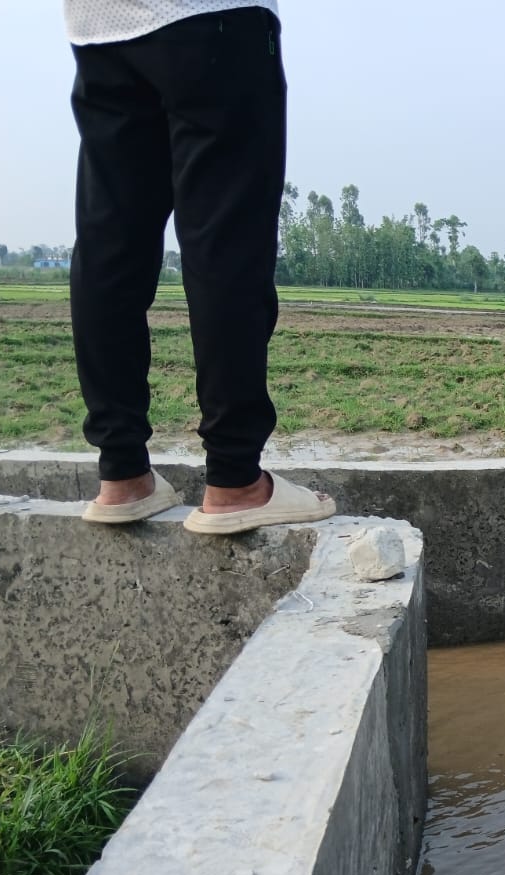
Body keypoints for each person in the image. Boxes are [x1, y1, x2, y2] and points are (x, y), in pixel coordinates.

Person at [65, 0, 334, 532]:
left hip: (98, 26)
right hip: (212, 16)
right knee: (226, 241)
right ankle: (235, 481)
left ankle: (123, 475)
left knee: (110, 243)